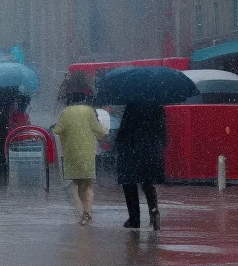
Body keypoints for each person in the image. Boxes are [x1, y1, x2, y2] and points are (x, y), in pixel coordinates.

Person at [53, 92, 108, 225]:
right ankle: (88, 212)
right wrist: (106, 135)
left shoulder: (66, 112)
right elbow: (98, 129)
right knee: (88, 183)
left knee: (75, 184)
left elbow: (57, 130)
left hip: (71, 153)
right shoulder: (89, 111)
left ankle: (81, 213)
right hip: (88, 152)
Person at [115, 103, 165, 231]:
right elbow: (163, 131)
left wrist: (117, 143)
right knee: (147, 180)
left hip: (132, 150)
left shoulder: (132, 106)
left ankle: (134, 218)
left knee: (129, 183)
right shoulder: (157, 105)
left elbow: (124, 131)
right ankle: (153, 208)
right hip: (151, 150)